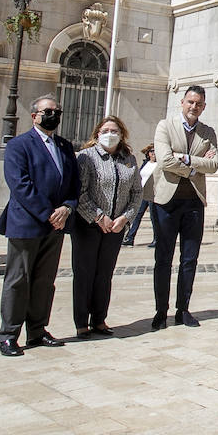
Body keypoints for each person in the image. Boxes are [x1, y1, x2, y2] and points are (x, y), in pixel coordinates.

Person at [0, 94, 79, 356]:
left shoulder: (64, 146)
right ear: (35, 116)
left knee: (44, 280)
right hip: (27, 223)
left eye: (57, 111)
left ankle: (38, 330)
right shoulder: (19, 145)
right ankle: (8, 334)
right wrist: (48, 213)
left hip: (56, 225)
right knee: (18, 279)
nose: (53, 115)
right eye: (48, 111)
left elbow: (74, 182)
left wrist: (66, 207)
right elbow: (20, 184)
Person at [152, 85, 218, 329]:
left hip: (194, 202)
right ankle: (161, 311)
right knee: (163, 258)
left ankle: (183, 309)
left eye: (199, 103)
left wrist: (187, 158)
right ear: (182, 102)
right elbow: (165, 159)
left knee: (189, 259)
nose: (194, 107)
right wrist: (193, 169)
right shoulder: (165, 126)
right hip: (167, 202)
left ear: (204, 106)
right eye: (190, 102)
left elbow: (214, 165)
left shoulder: (208, 132)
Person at [71, 116, 141, 337]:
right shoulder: (86, 157)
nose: (110, 134)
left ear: (122, 135)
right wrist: (99, 217)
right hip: (89, 224)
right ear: (97, 133)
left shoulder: (128, 159)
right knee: (85, 273)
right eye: (106, 130)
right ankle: (81, 321)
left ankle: (99, 319)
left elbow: (137, 192)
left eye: (114, 130)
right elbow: (80, 193)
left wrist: (125, 218)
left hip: (116, 226)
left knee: (104, 274)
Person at [122, 145, 159, 246]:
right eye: (151, 151)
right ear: (148, 153)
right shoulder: (145, 163)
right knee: (136, 216)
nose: (153, 153)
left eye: (155, 151)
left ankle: (157, 239)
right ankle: (130, 237)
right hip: (142, 193)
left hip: (153, 194)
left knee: (154, 217)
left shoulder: (159, 165)